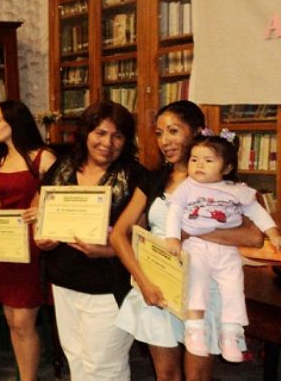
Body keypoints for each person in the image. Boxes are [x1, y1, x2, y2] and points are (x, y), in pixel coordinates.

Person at [111, 100, 264, 381]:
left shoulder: (222, 184)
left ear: (196, 132)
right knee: (166, 375)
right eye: (159, 133)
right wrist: (143, 283)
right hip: (161, 286)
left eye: (173, 131)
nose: (164, 141)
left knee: (197, 377)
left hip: (206, 287)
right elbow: (119, 234)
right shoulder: (153, 180)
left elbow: (254, 236)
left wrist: (193, 232)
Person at [35, 101, 145, 380]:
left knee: (104, 367)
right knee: (76, 359)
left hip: (109, 287)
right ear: (85, 133)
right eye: (100, 133)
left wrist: (107, 251)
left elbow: (144, 237)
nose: (107, 143)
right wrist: (41, 237)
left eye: (117, 136)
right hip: (64, 282)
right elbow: (39, 210)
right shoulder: (62, 166)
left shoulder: (135, 176)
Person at [164, 133, 281, 362]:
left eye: (208, 160)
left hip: (226, 249)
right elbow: (174, 212)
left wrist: (273, 232)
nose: (199, 165)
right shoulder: (188, 187)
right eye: (194, 159)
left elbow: (256, 212)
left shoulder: (236, 190)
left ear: (227, 168)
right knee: (196, 281)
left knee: (233, 287)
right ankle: (195, 329)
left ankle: (230, 335)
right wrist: (172, 238)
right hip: (196, 245)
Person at [0, 100, 55, 381]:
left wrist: (42, 209)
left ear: (16, 121)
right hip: (6, 247)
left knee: (25, 321)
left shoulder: (43, 158)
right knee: (13, 320)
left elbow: (61, 200)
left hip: (33, 248)